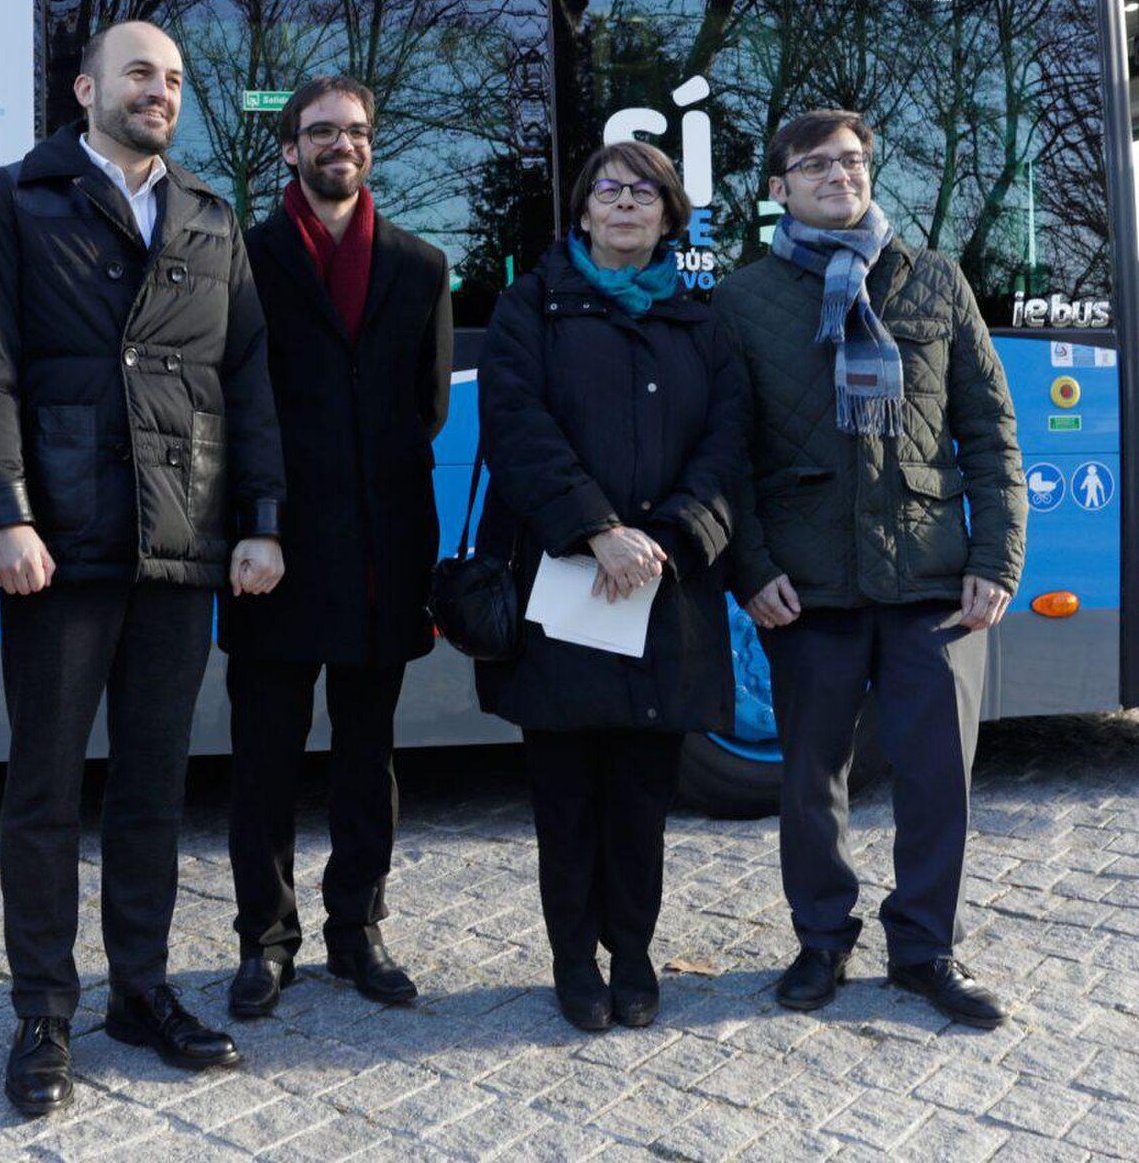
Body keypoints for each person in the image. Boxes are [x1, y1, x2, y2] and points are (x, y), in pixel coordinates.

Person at [0, 19, 287, 1115]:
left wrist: (261, 518)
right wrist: (2, 511)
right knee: (44, 788)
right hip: (61, 543)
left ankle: (140, 987)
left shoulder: (208, 211)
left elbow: (247, 381)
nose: (161, 90)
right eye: (141, 71)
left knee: (154, 786)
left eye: (178, 79)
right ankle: (44, 1010)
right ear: (87, 83)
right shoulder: (16, 197)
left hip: (182, 544)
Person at [715, 110, 1025, 1029]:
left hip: (933, 577)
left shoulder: (934, 279)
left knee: (938, 776)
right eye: (815, 165)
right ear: (778, 189)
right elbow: (728, 456)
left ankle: (925, 950)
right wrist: (751, 567)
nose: (839, 176)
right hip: (808, 586)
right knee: (812, 779)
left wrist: (997, 556)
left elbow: (990, 431)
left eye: (852, 161)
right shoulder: (743, 301)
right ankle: (821, 942)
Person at [476, 141, 745, 1031]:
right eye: (606, 190)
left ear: (670, 217)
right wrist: (597, 528)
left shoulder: (706, 321)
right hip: (565, 584)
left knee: (642, 795)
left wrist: (661, 539)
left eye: (644, 192)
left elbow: (726, 448)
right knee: (566, 792)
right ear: (582, 211)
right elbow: (518, 428)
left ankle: (632, 955)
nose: (623, 203)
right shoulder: (532, 306)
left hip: (663, 586)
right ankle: (572, 962)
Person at [218, 76, 452, 1018]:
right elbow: (229, 406)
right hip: (269, 550)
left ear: (370, 144)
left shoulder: (420, 264)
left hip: (382, 552)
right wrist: (257, 521)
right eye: (321, 133)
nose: (340, 145)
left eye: (355, 131)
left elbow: (427, 409)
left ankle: (358, 929)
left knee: (368, 754)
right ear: (289, 149)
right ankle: (264, 942)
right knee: (263, 759)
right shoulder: (243, 257)